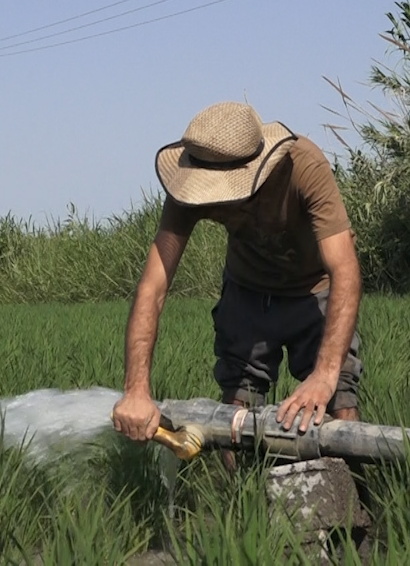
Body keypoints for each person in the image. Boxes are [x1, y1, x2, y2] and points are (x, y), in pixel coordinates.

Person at [111, 101, 363, 457]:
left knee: (340, 404)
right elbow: (153, 286)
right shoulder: (190, 188)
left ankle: (358, 502)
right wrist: (136, 390)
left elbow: (346, 270)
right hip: (248, 291)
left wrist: (324, 374)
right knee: (234, 411)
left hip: (314, 291)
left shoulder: (304, 166)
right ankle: (238, 501)